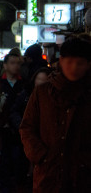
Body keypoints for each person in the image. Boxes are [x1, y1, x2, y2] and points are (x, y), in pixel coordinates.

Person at [20, 36, 91, 192]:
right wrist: (41, 156)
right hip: (48, 174)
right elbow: (27, 127)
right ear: (61, 61)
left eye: (79, 63)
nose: (74, 68)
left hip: (83, 176)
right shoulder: (43, 92)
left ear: (87, 65)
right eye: (69, 62)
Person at [0, 53, 26, 192]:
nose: (16, 66)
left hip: (19, 128)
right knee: (3, 158)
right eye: (12, 63)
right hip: (2, 128)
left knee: (18, 158)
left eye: (18, 63)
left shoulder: (24, 84)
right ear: (5, 65)